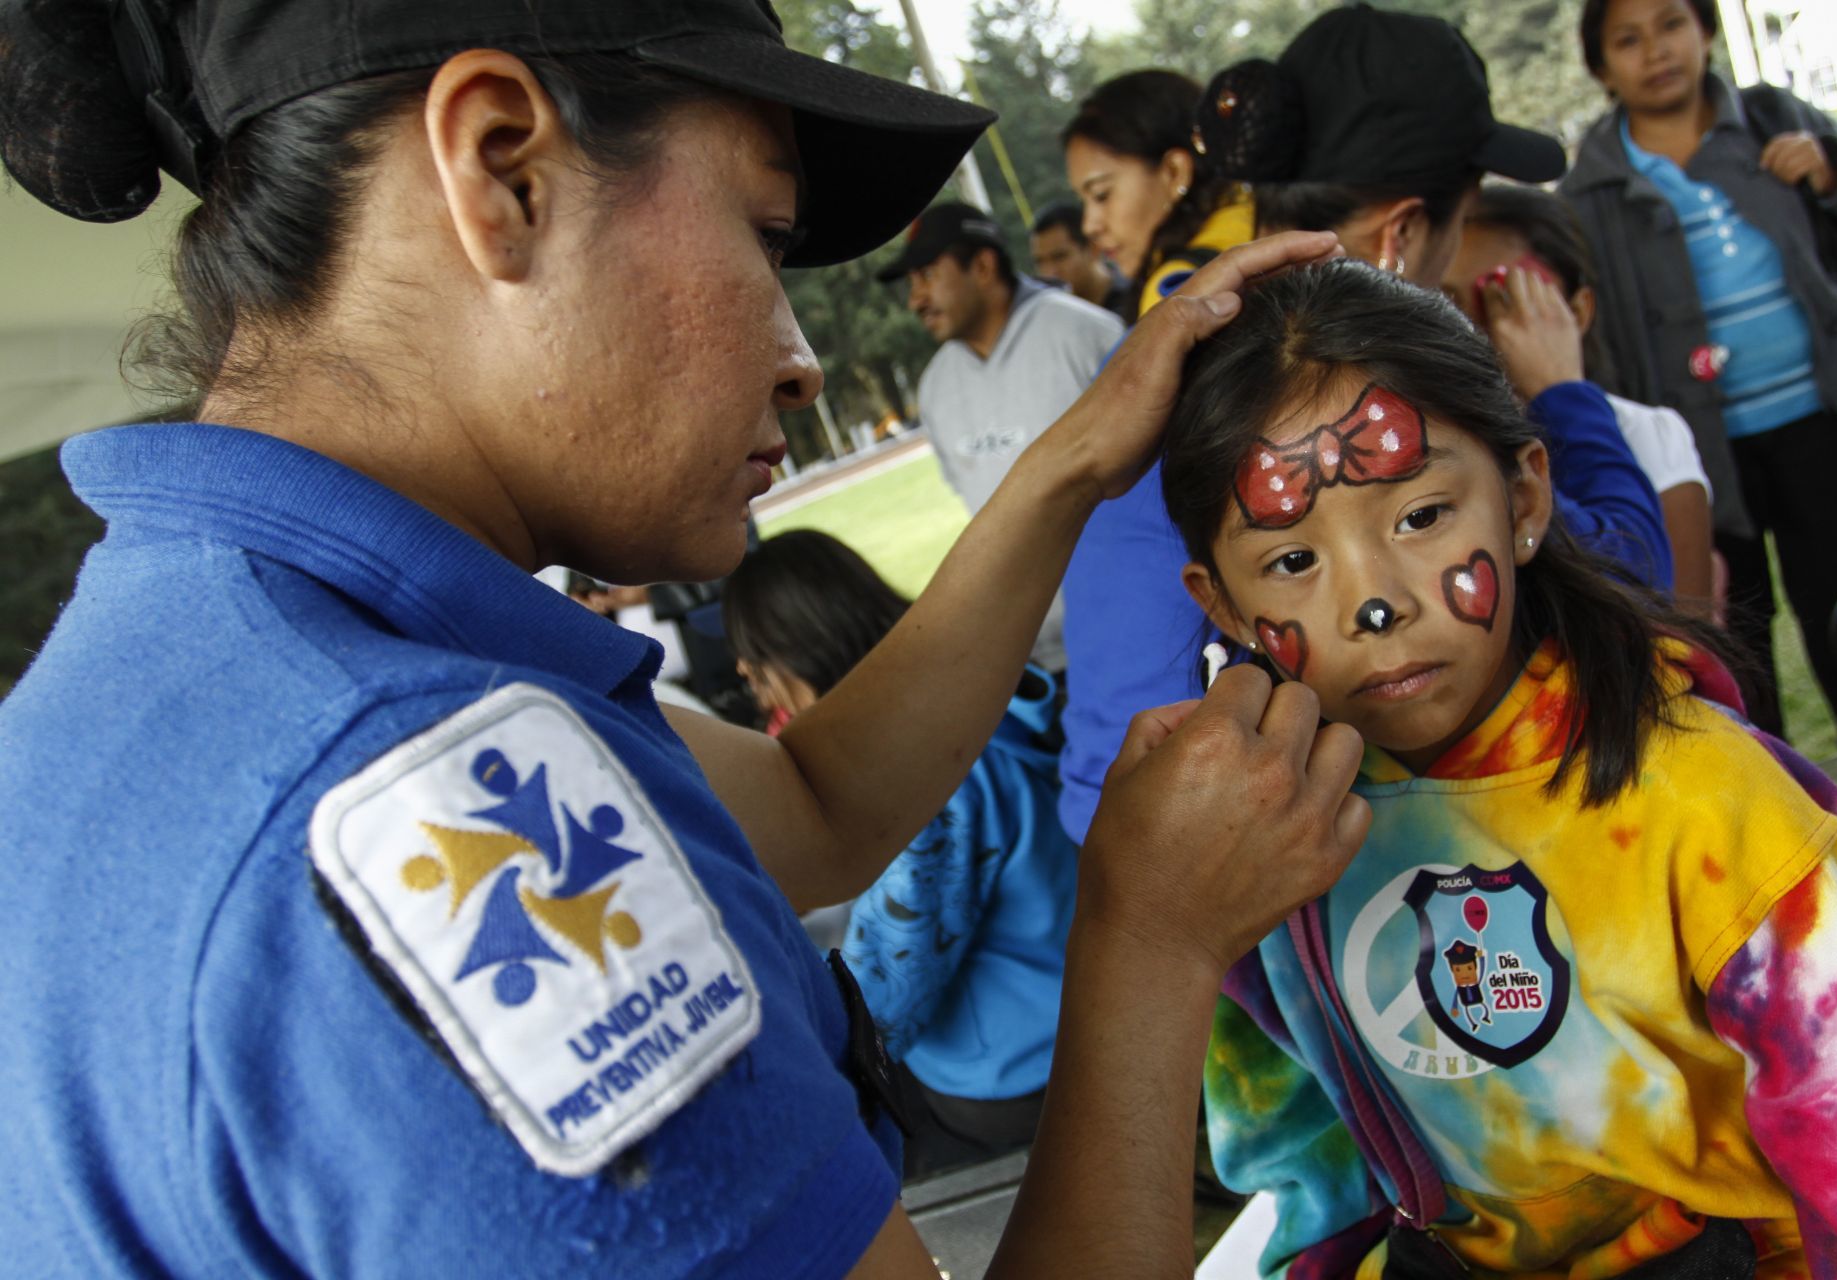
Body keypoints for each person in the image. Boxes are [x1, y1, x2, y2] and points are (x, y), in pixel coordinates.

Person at [0, 1, 1369, 1275]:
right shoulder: (422, 805)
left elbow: (821, 806)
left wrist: (1072, 462)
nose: (803, 357)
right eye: (764, 233)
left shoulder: (211, 657)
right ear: (502, 169)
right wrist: (1154, 941)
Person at [1163, 258, 1837, 1278]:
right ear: (1220, 603)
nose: (1373, 601)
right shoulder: (1255, 848)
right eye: (1293, 560)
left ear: (1523, 497)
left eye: (1421, 516)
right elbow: (1306, 1158)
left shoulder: (1716, 809)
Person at [1055, 3, 1671, 849]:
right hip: (1241, 867)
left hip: (1122, 843)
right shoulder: (1345, 391)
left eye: (1418, 518)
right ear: (1404, 234)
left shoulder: (1153, 352)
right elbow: (1628, 579)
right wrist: (1563, 391)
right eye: (1462, 234)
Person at [1561, 0, 1837, 747]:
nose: (1656, 50)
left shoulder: (1769, 118)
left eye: (1671, 24)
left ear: (1706, 31)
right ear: (1601, 68)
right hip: (1704, 457)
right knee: (1733, 640)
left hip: (1818, 419)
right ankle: (1779, 799)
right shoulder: (1591, 190)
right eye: (1628, 39)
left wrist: (1829, 165)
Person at [724, 530, 1076, 1177]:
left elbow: (882, 1006)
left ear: (804, 649)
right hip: (1067, 1021)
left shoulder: (928, 777)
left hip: (1021, 1078)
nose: (747, 677)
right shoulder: (978, 696)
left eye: (754, 659)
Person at [1441, 183, 1718, 612]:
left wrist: (1557, 391)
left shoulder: (1647, 434)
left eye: (1507, 299)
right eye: (1447, 306)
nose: (1475, 332)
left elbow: (1682, 624)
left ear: (1578, 311)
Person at [878, 201, 1124, 673]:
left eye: (927, 275)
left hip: (1126, 634)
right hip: (1026, 657)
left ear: (984, 266)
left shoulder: (1085, 335)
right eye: (911, 283)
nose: (915, 300)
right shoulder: (935, 388)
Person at [1061, 68, 1255, 320]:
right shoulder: (1265, 218)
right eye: (1083, 201)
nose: (1090, 226)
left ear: (1175, 172)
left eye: (1101, 195)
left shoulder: (1178, 296)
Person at [1029, 199, 1129, 317]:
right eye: (1040, 262)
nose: (1050, 273)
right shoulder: (1056, 319)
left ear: (1093, 248)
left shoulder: (1136, 298)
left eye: (1059, 257)